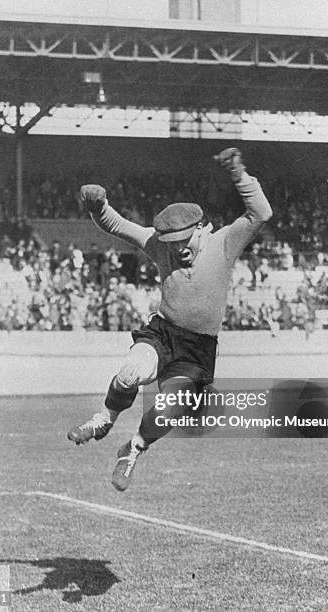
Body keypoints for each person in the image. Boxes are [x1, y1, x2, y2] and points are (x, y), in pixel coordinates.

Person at [67, 148, 273, 491]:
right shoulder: (161, 245)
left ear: (201, 229)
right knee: (131, 371)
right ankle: (103, 419)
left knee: (171, 409)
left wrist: (239, 174)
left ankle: (131, 451)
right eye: (171, 243)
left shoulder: (223, 242)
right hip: (162, 333)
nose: (178, 250)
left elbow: (260, 213)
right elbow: (118, 225)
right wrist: (98, 205)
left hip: (196, 351)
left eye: (183, 240)